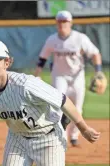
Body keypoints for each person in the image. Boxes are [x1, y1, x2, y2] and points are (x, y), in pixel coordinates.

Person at [34, 10, 103, 147]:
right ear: (56, 23)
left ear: (70, 23)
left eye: (65, 21)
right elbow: (43, 58)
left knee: (77, 108)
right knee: (58, 106)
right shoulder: (52, 39)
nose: (62, 24)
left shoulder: (80, 38)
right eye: (60, 21)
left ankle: (74, 136)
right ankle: (61, 136)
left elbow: (95, 54)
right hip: (59, 76)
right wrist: (37, 74)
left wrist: (98, 72)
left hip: (77, 78)